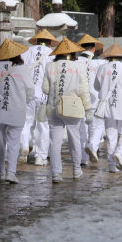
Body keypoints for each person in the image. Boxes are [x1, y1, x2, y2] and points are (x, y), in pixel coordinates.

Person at [0, 39, 34, 184]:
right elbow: (30, 91)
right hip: (16, 109)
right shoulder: (23, 70)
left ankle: (0, 171)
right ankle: (11, 172)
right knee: (13, 142)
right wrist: (25, 100)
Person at [42, 38, 91, 183]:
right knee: (74, 139)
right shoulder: (80, 67)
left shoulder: (50, 66)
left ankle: (56, 173)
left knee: (55, 142)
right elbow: (84, 91)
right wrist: (88, 109)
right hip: (73, 107)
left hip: (53, 106)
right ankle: (76, 170)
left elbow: (45, 89)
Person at [94, 44, 122, 172]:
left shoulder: (102, 67)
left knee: (111, 134)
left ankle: (112, 165)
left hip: (108, 105)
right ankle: (120, 152)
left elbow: (96, 86)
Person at [21, 29, 57, 166]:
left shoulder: (26, 52)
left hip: (27, 93)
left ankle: (24, 146)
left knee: (26, 123)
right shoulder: (51, 55)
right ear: (49, 42)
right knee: (43, 125)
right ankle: (40, 156)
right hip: (44, 95)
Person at [76, 34, 107, 165]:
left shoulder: (74, 62)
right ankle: (93, 146)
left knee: (81, 129)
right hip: (94, 99)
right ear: (94, 49)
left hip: (78, 100)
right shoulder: (100, 63)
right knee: (96, 127)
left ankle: (83, 158)